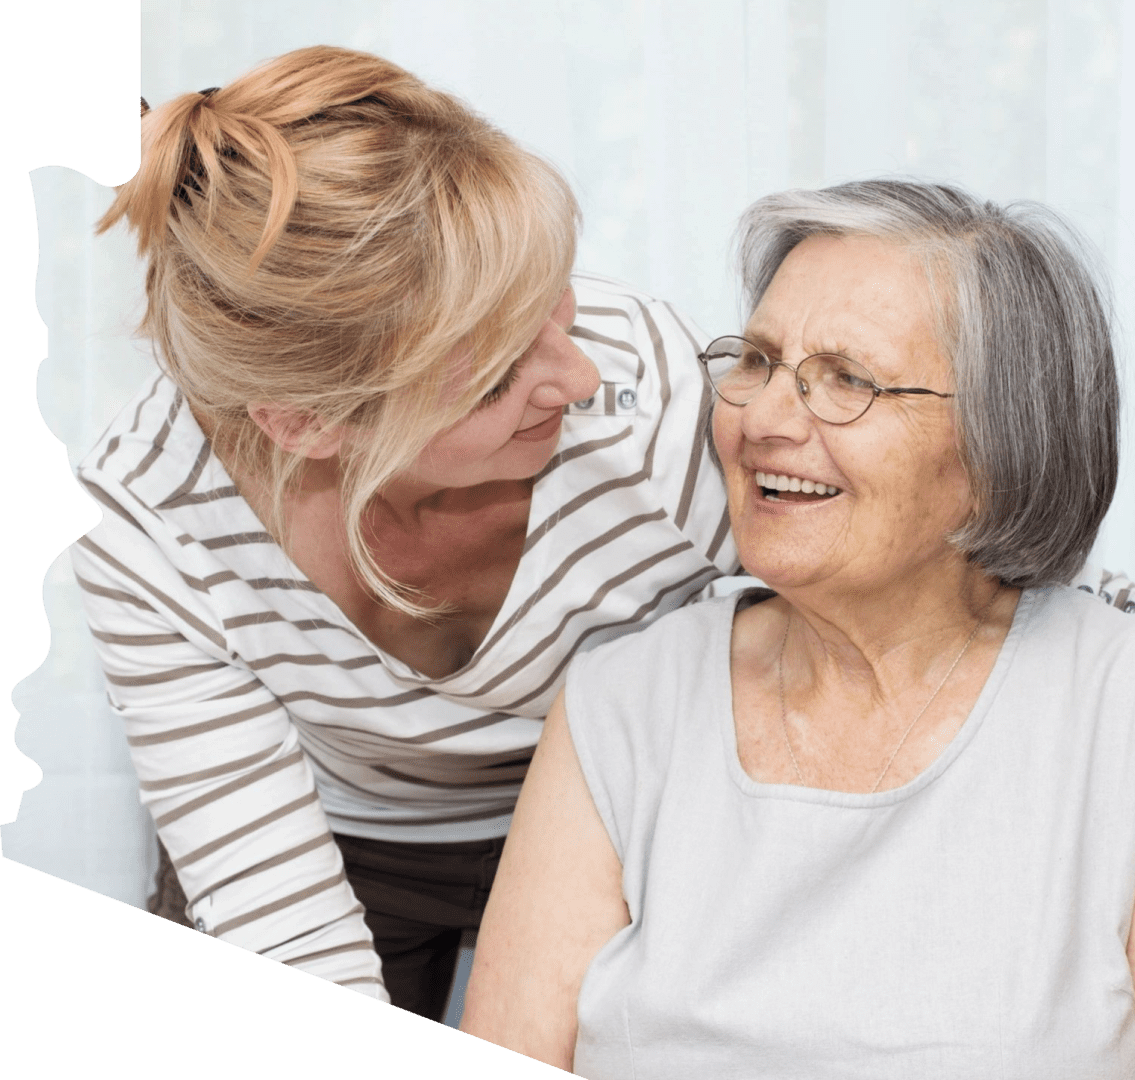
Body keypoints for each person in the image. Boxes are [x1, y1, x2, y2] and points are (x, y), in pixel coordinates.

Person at [71, 45, 739, 1020]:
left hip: (601, 820)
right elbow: (285, 927)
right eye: (503, 373)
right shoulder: (147, 518)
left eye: (554, 300)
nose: (581, 377)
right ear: (308, 425)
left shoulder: (665, 415)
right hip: (329, 829)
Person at [461, 180, 1135, 1075]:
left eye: (846, 380)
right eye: (756, 361)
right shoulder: (623, 701)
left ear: (1001, 445)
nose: (763, 422)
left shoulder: (1108, 709)